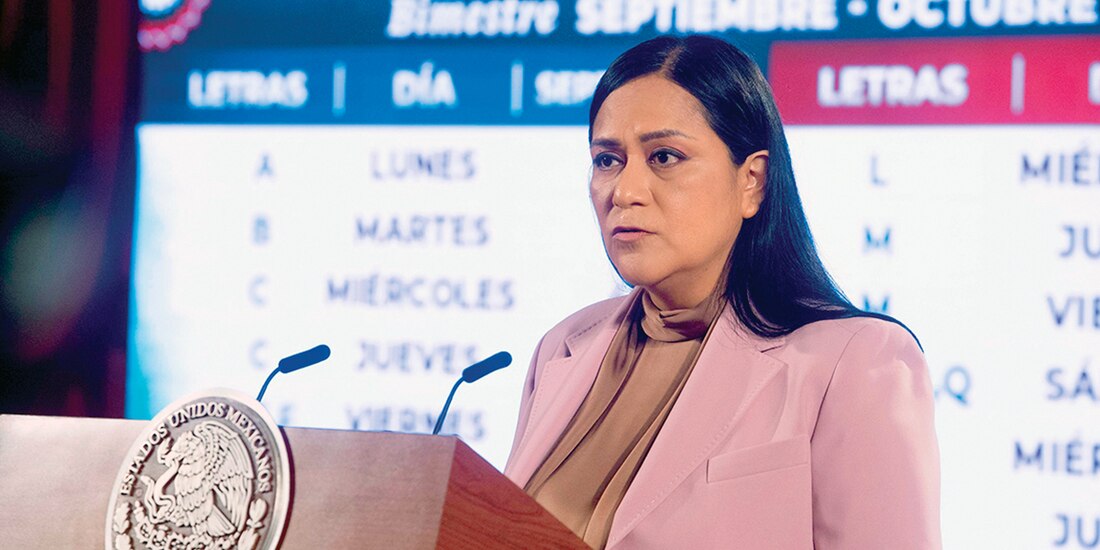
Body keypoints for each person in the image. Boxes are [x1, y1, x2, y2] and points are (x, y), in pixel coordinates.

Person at [503, 35, 941, 549]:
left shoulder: (855, 361)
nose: (624, 191)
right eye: (607, 160)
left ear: (752, 180)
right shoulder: (563, 347)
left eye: (664, 156)